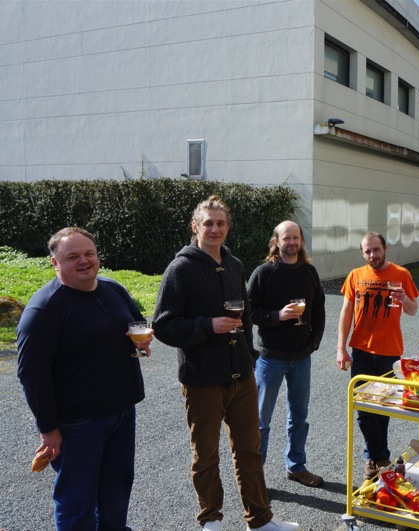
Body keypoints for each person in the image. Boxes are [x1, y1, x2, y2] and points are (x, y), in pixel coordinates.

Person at [152, 196, 299, 531]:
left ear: (228, 227)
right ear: (195, 227)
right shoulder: (180, 269)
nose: (215, 229)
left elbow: (245, 317)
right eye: (208, 223)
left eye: (220, 223)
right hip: (202, 378)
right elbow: (163, 325)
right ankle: (211, 520)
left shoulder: (234, 265)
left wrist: (249, 357)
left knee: (250, 450)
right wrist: (207, 325)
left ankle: (259, 520)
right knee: (205, 455)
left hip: (241, 375)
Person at [17, 227, 151, 531]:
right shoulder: (44, 309)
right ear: (55, 263)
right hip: (77, 424)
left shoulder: (112, 289)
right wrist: (48, 429)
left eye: (89, 253)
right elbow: (31, 374)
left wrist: (141, 340)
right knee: (77, 501)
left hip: (121, 412)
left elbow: (135, 324)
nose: (84, 260)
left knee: (116, 491)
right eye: (73, 256)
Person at [247, 220, 325, 488]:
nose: (292, 242)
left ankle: (296, 466)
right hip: (270, 359)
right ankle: (255, 478)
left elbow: (319, 308)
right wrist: (277, 316)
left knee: (299, 418)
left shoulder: (309, 272)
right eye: (286, 238)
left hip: (302, 358)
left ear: (301, 240)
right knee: (260, 421)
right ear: (276, 241)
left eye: (296, 237)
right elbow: (248, 312)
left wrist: (314, 340)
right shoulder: (264, 273)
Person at [337, 232, 419, 479]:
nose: (372, 255)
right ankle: (378, 457)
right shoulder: (355, 275)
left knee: (383, 408)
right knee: (363, 408)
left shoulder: (401, 274)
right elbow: (346, 313)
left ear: (385, 248)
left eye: (376, 249)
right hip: (361, 350)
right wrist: (341, 347)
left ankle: (375, 458)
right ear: (362, 253)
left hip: (389, 352)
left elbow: (413, 310)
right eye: (368, 251)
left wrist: (404, 299)